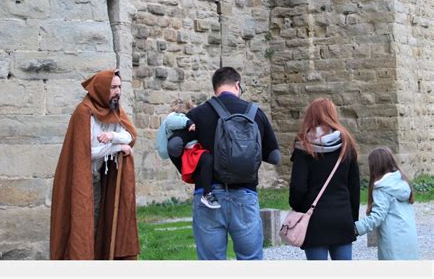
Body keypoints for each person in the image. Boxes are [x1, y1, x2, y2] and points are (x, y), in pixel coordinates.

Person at [167, 66, 281, 260]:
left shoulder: (198, 114)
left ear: (215, 89)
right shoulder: (255, 113)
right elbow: (274, 156)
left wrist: (193, 172)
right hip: (245, 195)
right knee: (250, 260)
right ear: (237, 85)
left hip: (208, 195)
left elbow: (174, 148)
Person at [50, 70, 140, 260]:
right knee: (82, 226)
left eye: (119, 87)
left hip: (97, 178)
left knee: (96, 221)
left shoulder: (114, 110)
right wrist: (118, 148)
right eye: (113, 87)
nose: (118, 92)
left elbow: (130, 135)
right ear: (101, 89)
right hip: (79, 180)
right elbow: (87, 152)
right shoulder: (84, 112)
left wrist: (113, 138)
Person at [289, 98, 360, 260]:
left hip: (314, 220)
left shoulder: (304, 146)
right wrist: (352, 218)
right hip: (341, 217)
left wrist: (298, 208)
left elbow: (298, 187)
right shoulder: (346, 144)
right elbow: (354, 187)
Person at [355, 147, 419, 260]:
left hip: (393, 241)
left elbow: (377, 216)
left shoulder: (382, 188)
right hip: (409, 237)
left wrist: (356, 228)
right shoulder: (402, 181)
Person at [156, 99, 220, 209]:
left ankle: (207, 193)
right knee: (207, 160)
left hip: (192, 150)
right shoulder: (174, 117)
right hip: (190, 152)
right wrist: (188, 122)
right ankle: (207, 194)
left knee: (206, 161)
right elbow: (173, 121)